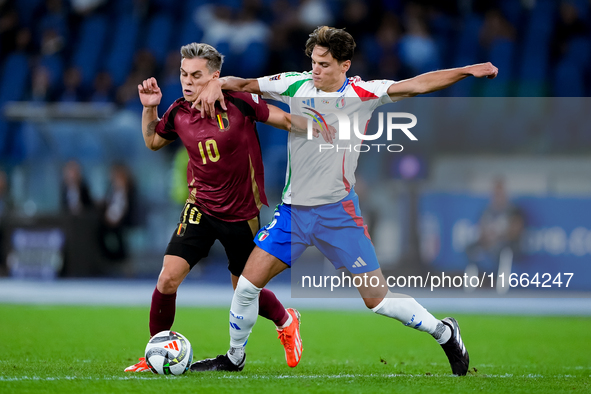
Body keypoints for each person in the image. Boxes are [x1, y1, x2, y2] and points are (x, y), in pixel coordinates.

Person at [190, 26, 498, 375]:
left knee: (378, 301)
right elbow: (244, 84)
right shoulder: (295, 83)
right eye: (313, 62)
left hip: (338, 214)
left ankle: (444, 332)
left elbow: (418, 84)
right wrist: (216, 82)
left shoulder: (363, 93)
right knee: (246, 287)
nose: (315, 70)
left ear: (344, 65)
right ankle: (234, 358)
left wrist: (466, 71)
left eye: (323, 64)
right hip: (294, 213)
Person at [125, 42, 328, 372]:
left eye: (196, 76)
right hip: (200, 207)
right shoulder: (178, 112)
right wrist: (150, 108)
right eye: (182, 74)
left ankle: (286, 319)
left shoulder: (240, 103)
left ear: (215, 77)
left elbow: (287, 120)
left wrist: (327, 129)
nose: (187, 82)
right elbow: (152, 141)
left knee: (243, 290)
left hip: (241, 215)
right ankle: (156, 352)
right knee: (167, 280)